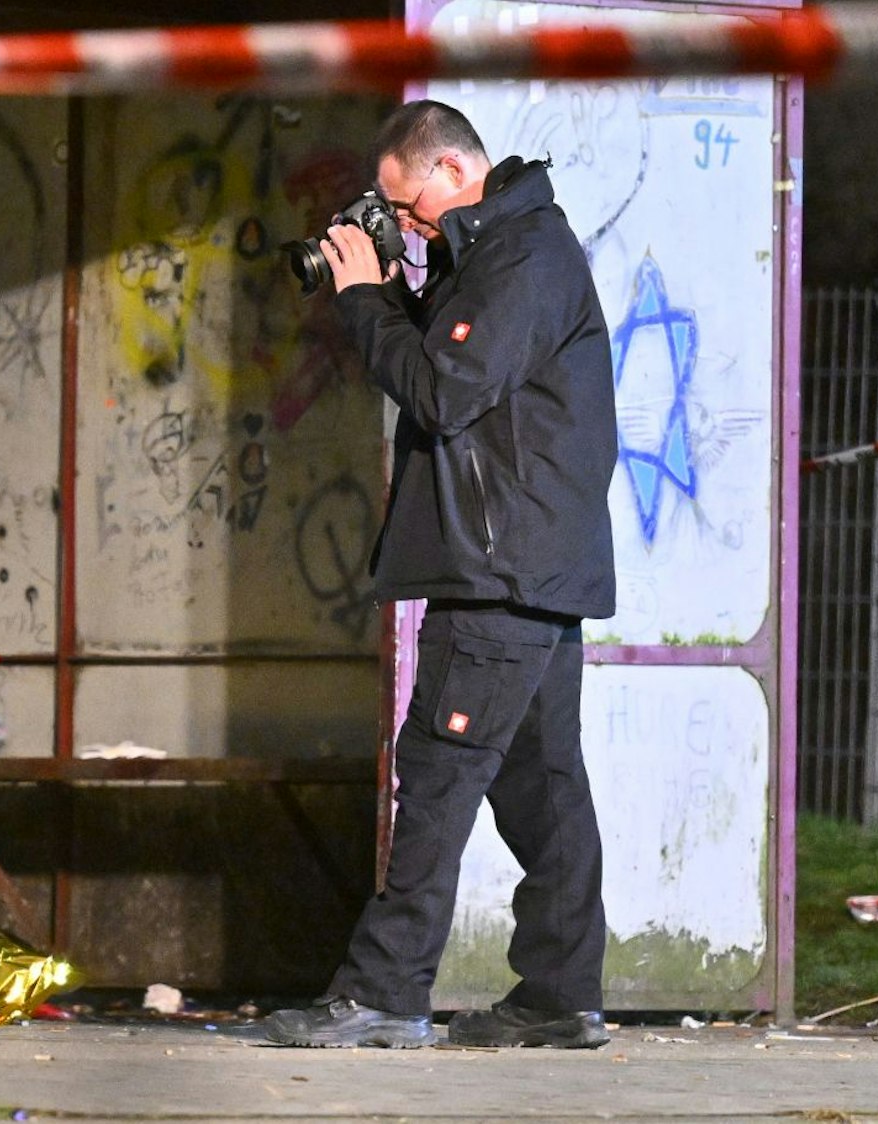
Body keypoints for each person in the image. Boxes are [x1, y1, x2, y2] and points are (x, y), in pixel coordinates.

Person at [265, 100, 619, 1050]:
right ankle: (558, 996)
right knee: (540, 787)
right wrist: (402, 288)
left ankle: (382, 992)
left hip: (497, 571)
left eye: (406, 206)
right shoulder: (500, 254)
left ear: (454, 171)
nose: (406, 226)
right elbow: (457, 370)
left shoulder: (524, 257)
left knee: (436, 775)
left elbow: (441, 389)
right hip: (529, 566)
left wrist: (364, 298)